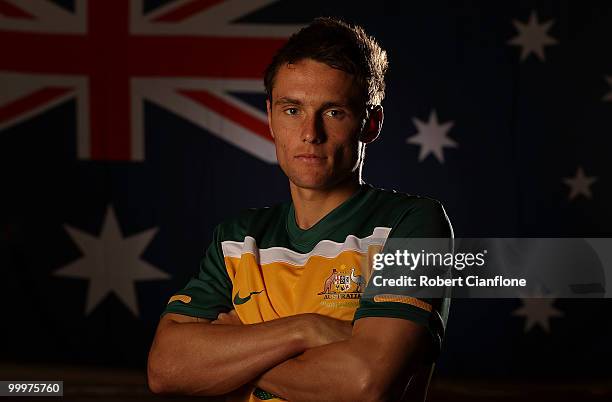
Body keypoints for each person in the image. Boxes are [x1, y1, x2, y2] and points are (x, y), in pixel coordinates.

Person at [147, 17, 453, 402]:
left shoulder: (414, 224)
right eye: (292, 110)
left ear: (370, 123)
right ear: (271, 117)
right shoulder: (238, 238)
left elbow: (364, 383)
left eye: (333, 112)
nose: (310, 133)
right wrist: (305, 329)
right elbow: (166, 367)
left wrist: (230, 348)